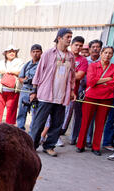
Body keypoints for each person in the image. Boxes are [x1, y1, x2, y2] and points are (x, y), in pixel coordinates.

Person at [29, 28, 76, 157]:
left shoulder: (70, 56)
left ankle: (49, 146)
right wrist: (34, 90)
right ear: (59, 38)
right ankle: (32, 146)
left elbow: (72, 76)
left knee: (57, 124)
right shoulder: (48, 54)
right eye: (67, 37)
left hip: (61, 96)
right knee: (39, 123)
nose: (69, 39)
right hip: (45, 95)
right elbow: (38, 73)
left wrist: (72, 90)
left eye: (71, 37)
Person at [75, 46, 114, 156]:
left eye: (110, 53)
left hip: (106, 98)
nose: (107, 55)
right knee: (85, 121)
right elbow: (90, 82)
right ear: (101, 53)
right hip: (91, 97)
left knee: (100, 124)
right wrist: (106, 79)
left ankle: (96, 147)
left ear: (112, 55)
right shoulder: (93, 65)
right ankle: (80, 145)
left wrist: (99, 82)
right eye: (105, 52)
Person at [60, 36, 88, 145]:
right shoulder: (64, 56)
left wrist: (66, 74)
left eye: (81, 46)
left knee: (68, 116)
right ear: (71, 45)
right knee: (55, 114)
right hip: (58, 91)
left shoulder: (83, 60)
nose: (78, 47)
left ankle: (70, 137)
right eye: (76, 45)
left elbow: (79, 76)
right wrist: (72, 74)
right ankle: (54, 136)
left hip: (73, 93)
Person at [0, 44, 24, 125]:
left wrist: (7, 71)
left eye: (13, 51)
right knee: (0, 106)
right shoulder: (1, 62)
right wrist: (10, 71)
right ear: (6, 53)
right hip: (1, 88)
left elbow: (20, 72)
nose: (11, 53)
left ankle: (10, 125)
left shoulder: (20, 62)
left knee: (11, 108)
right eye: (9, 51)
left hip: (13, 88)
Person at [16, 44, 42, 130]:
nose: (35, 54)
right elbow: (20, 77)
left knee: (35, 115)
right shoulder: (27, 65)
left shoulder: (42, 65)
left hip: (37, 92)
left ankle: (32, 134)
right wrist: (24, 80)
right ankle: (20, 132)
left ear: (41, 53)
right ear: (31, 53)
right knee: (21, 113)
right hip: (25, 91)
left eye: (37, 52)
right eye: (33, 52)